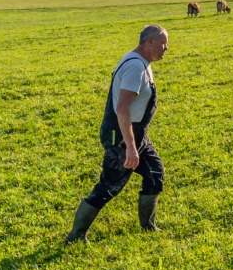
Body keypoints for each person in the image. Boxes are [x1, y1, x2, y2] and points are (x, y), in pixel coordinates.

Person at [66, 24, 169, 243]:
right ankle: (75, 237)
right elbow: (122, 108)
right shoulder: (135, 68)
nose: (166, 48)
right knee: (109, 185)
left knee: (154, 173)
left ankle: (148, 227)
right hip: (122, 136)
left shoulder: (141, 62)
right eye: (163, 43)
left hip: (137, 133)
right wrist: (130, 147)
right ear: (150, 42)